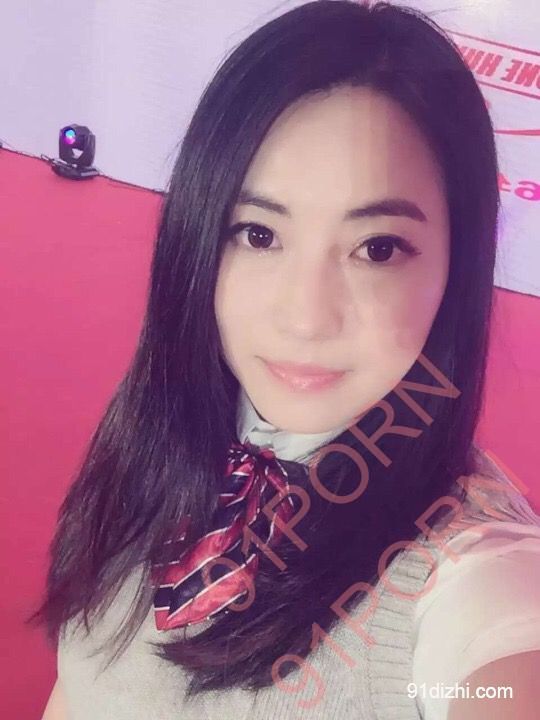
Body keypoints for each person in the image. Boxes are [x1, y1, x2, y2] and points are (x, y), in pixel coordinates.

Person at [32, 1, 540, 718]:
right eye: (258, 234)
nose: (305, 318)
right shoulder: (160, 428)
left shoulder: (474, 574)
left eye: (377, 249)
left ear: (455, 268)